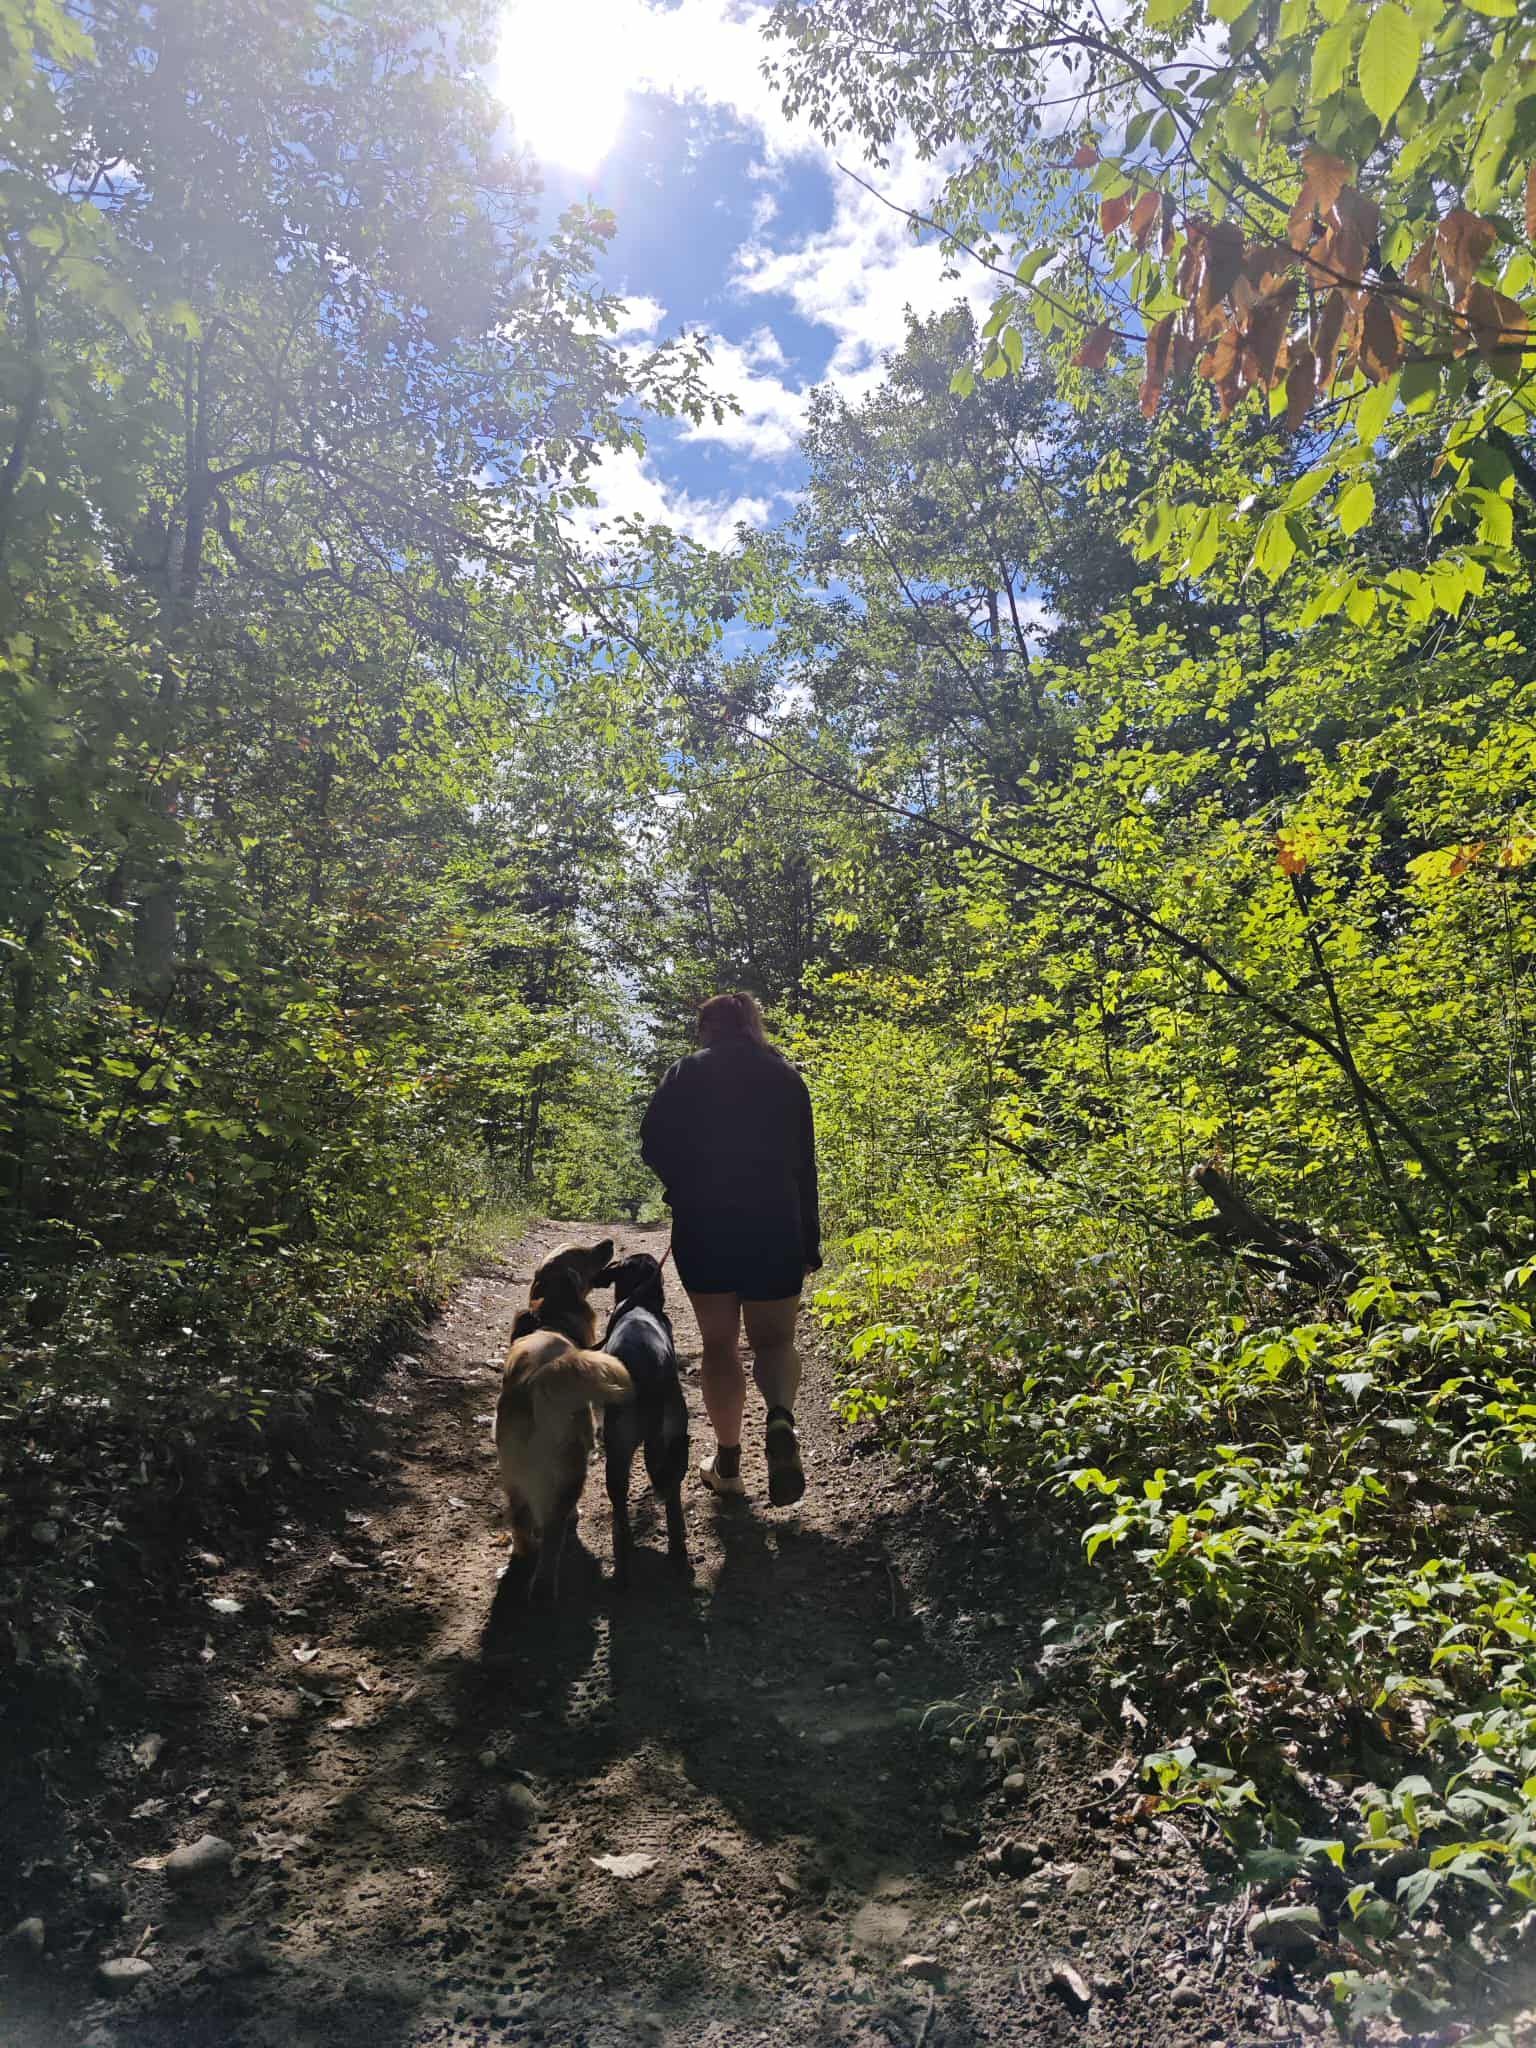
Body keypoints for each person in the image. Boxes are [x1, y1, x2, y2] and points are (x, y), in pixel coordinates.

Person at [639, 992, 821, 1507]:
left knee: (719, 1345)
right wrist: (810, 1239)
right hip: (776, 1224)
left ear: (707, 1028)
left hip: (706, 1223)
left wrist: (684, 1183)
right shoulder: (785, 1077)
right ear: (754, 1026)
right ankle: (780, 1418)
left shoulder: (685, 1073)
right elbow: (804, 1166)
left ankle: (728, 1462)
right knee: (775, 1341)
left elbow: (652, 1142)